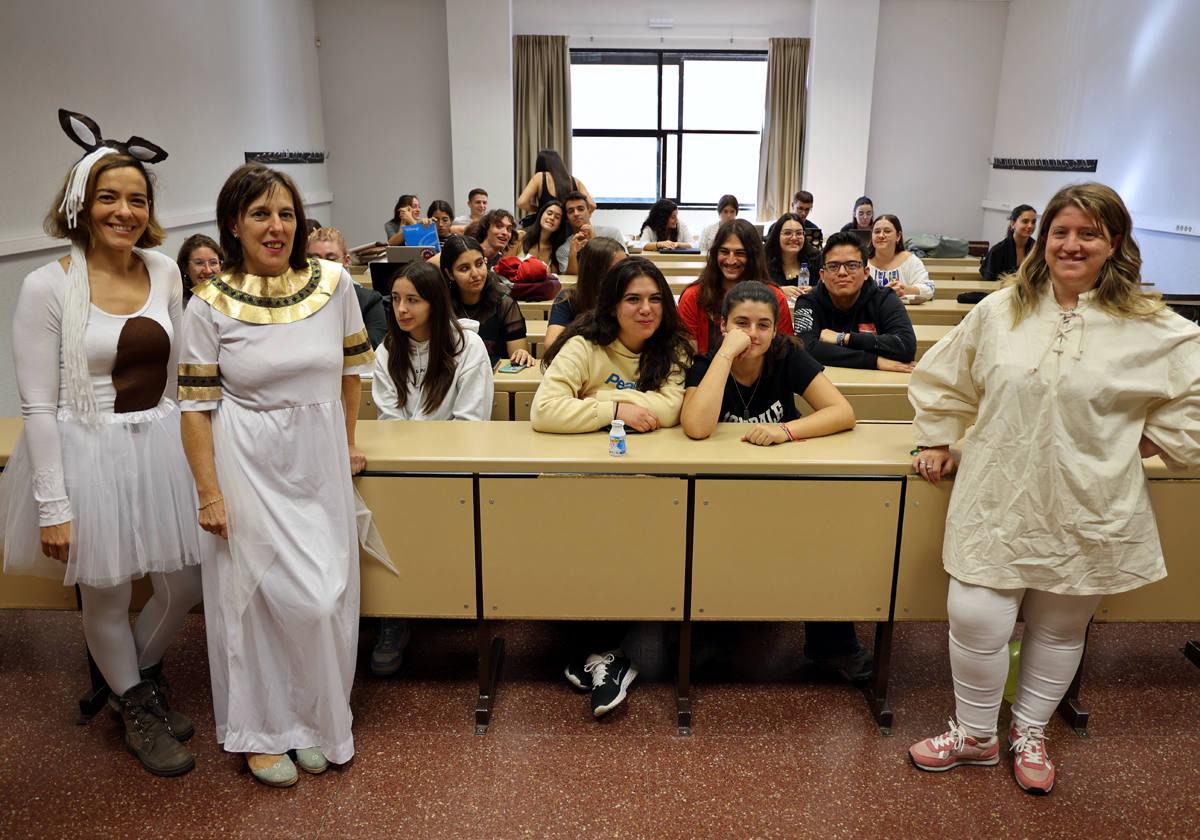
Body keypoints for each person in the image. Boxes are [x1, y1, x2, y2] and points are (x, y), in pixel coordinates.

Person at [906, 183, 1200, 795]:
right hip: (998, 489)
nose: (1072, 244)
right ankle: (975, 733)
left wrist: (1151, 440)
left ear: (1113, 242)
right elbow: (945, 374)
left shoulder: (1151, 327)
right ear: (1043, 240)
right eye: (1061, 231)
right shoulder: (1003, 310)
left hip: (1089, 499)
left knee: (1060, 628)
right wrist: (936, 436)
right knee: (976, 617)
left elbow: (1190, 397)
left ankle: (1031, 730)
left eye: (1088, 233)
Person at [0, 110, 202, 776]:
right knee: (108, 591)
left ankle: (131, 679)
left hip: (160, 444)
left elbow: (176, 377)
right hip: (86, 450)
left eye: (137, 198)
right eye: (109, 197)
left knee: (183, 581)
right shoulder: (46, 285)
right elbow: (38, 403)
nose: (125, 211)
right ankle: (137, 704)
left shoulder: (165, 272)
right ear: (80, 205)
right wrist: (53, 503)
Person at [179, 163, 378, 787]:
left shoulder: (334, 284)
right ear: (233, 225)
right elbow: (194, 408)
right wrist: (209, 493)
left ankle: (316, 720)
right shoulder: (207, 304)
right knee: (257, 603)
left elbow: (352, 375)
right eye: (260, 214)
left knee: (324, 599)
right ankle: (263, 731)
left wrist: (344, 446)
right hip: (247, 464)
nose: (276, 226)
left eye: (286, 213)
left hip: (316, 465)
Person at [531, 257, 691, 716]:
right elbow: (544, 412)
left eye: (656, 299)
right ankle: (608, 654)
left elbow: (671, 410)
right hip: (584, 481)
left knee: (636, 548)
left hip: (649, 483)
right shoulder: (583, 344)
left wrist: (597, 397)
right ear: (613, 305)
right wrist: (616, 411)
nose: (646, 310)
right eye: (633, 299)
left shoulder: (674, 347)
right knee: (585, 549)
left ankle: (606, 654)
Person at [367, 259, 494, 676]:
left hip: (456, 467)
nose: (402, 310)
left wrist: (428, 461)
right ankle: (394, 615)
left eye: (413, 301)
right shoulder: (389, 348)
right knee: (379, 505)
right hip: (404, 468)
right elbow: (389, 418)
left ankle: (459, 600)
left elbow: (471, 421)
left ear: (435, 304)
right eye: (397, 300)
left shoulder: (467, 348)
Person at [792, 232, 916, 372]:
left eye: (852, 265)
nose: (842, 272)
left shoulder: (885, 299)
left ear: (866, 273)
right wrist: (875, 361)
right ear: (822, 275)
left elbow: (906, 346)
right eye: (833, 266)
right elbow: (806, 349)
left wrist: (844, 338)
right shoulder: (807, 302)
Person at [677, 219, 793, 355]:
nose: (731, 260)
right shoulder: (693, 297)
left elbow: (785, 353)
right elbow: (687, 356)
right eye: (724, 252)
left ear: (753, 256)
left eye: (740, 253)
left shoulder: (775, 297)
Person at [441, 234, 534, 367]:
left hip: (496, 381)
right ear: (449, 274)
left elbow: (518, 354)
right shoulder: (441, 305)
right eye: (464, 268)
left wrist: (521, 354)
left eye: (479, 264)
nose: (475, 274)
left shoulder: (504, 303)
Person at [305, 226, 388, 348]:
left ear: (346, 261)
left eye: (331, 259)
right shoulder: (299, 302)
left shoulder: (369, 300)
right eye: (315, 260)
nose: (323, 266)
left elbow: (373, 345)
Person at [545, 236, 627, 349]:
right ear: (595, 272)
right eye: (615, 269)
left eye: (624, 267)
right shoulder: (569, 298)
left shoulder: (627, 296)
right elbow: (551, 344)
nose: (623, 273)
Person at [868, 214, 934, 301]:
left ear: (898, 236)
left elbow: (929, 289)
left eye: (887, 231)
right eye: (876, 232)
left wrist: (906, 290)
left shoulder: (911, 261)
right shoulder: (861, 261)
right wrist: (883, 293)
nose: (881, 235)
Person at [557, 190, 624, 275]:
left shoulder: (612, 233)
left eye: (580, 209)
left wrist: (594, 241)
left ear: (589, 212)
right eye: (571, 211)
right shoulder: (563, 249)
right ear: (567, 218)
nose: (576, 213)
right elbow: (571, 278)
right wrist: (573, 253)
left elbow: (625, 266)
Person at [516, 149, 596, 215]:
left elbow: (521, 202)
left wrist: (540, 209)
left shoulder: (540, 177)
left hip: (547, 227)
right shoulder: (575, 181)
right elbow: (592, 205)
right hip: (568, 229)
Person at [765, 213, 822, 299]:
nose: (794, 238)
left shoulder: (816, 258)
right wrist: (778, 291)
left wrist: (814, 290)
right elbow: (753, 289)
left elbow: (829, 287)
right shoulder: (764, 260)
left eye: (799, 233)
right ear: (777, 236)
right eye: (788, 233)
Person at [981, 204, 1037, 281]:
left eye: (1033, 222)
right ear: (1013, 224)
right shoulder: (997, 251)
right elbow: (988, 281)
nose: (1030, 226)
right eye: (1025, 221)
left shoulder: (1038, 249)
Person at [522, 199, 569, 272]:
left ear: (560, 225)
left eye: (557, 217)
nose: (552, 218)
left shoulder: (556, 250)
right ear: (541, 214)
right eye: (549, 213)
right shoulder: (520, 236)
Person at [177, 233, 223, 302]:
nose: (208, 270)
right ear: (185, 268)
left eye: (213, 263)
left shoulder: (233, 300)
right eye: (199, 263)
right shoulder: (179, 306)